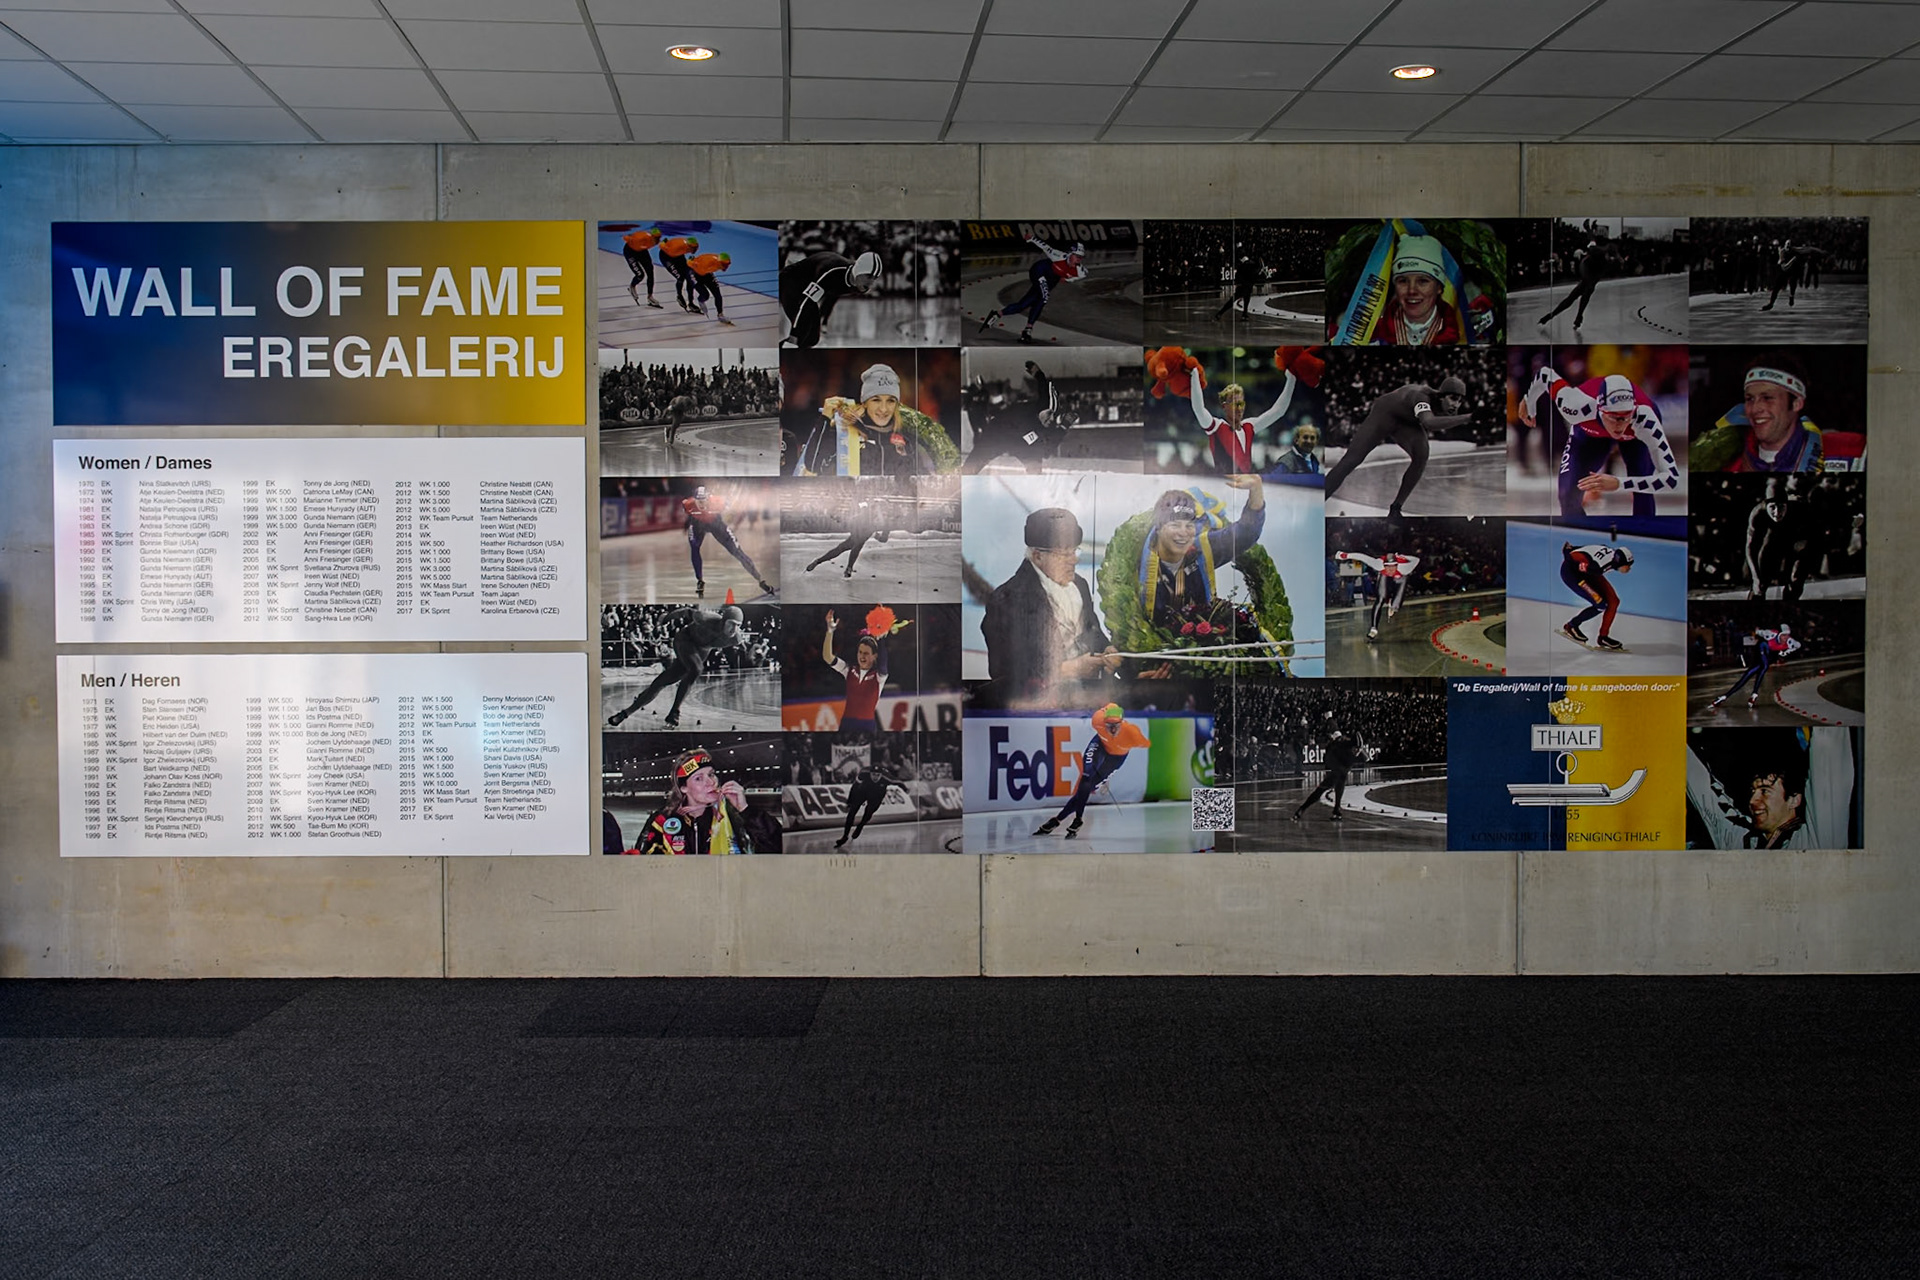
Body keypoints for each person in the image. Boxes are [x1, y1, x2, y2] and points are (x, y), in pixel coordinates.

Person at [980, 507, 1120, 707]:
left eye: (1074, 551)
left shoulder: (1080, 584)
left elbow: (1092, 631)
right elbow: (1004, 673)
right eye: (1063, 554)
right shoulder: (1006, 600)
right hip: (1039, 705)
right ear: (1037, 556)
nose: (1074, 559)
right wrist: (1069, 669)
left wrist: (1108, 650)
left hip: (1091, 696)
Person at [1520, 367, 1680, 519]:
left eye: (1626, 416)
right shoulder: (1575, 406)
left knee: (1642, 490)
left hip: (1635, 438)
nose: (1620, 424)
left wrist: (1619, 483)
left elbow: (1671, 479)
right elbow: (1544, 374)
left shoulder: (1645, 419)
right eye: (1613, 417)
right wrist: (1529, 401)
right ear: (1600, 410)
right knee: (1567, 494)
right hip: (1590, 433)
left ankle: (1645, 539)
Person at [1321, 375, 1474, 518]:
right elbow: (1429, 423)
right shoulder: (1422, 396)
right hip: (1385, 414)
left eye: (1460, 401)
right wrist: (1469, 417)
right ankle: (1319, 501)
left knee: (1422, 455)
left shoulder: (1441, 403)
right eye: (1453, 398)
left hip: (1406, 421)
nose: (1456, 404)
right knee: (1351, 460)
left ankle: (1396, 509)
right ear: (1441, 396)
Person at [1135, 478, 1265, 635]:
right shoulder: (1138, 563)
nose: (1183, 533)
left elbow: (1244, 534)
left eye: (1189, 525)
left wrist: (1256, 491)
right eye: (1175, 525)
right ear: (1159, 528)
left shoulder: (1200, 550)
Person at [1685, 732, 1852, 849]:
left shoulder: (1818, 840)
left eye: (1765, 791)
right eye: (1753, 791)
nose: (1752, 801)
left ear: (1794, 799)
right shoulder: (1737, 841)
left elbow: (1829, 758)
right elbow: (1697, 782)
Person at [606, 604, 744, 730]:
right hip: (685, 639)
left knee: (662, 682)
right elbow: (685, 612)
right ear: (723, 620)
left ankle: (624, 714)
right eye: (732, 624)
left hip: (700, 651)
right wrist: (664, 619)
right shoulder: (705, 618)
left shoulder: (736, 638)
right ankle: (675, 712)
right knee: (697, 669)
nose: (734, 629)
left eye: (738, 625)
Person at [793, 363, 942, 477]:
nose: (883, 409)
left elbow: (922, 480)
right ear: (864, 403)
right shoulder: (845, 433)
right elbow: (813, 465)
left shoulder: (905, 438)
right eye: (876, 400)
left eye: (890, 401)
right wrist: (825, 418)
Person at [1034, 704, 1150, 839]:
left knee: (1086, 789)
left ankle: (1057, 820)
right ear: (1103, 722)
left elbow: (1145, 743)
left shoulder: (1132, 733)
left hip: (1116, 758)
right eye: (1108, 725)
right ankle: (1078, 818)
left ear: (1122, 723)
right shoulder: (1097, 720)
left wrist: (1135, 743)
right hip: (1100, 745)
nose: (1112, 729)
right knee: (1086, 776)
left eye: (1116, 726)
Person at [1702, 355, 1828, 473]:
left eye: (1767, 398)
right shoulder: (1721, 462)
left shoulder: (1835, 454)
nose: (1755, 409)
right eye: (1750, 399)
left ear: (1796, 403)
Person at [634, 748, 756, 855]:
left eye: (711, 774)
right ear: (684, 788)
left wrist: (746, 810)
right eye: (699, 778)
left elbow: (770, 851)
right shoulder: (661, 822)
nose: (711, 782)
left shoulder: (733, 816)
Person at [1186, 362, 1295, 472]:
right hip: (1223, 484)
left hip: (1245, 484)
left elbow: (1278, 411)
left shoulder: (1249, 426)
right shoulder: (1217, 427)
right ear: (1224, 406)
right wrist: (1195, 375)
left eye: (1241, 404)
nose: (1238, 408)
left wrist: (1291, 379)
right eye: (1234, 404)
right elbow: (1199, 409)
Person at [977, 234, 1087, 344]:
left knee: (1024, 305)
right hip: (1040, 270)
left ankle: (997, 315)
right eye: (1077, 256)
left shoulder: (1081, 271)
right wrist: (1031, 238)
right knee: (1044, 297)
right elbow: (1044, 246)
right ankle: (1028, 329)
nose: (1078, 260)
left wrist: (1068, 280)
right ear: (1070, 254)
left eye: (1081, 258)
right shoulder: (1058, 255)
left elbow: (1078, 277)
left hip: (1051, 280)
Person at [961, 361, 1067, 474]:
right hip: (1000, 432)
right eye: (1049, 415)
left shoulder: (1047, 424)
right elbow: (1043, 384)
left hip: (1020, 441)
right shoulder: (1033, 408)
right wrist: (1037, 372)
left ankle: (1035, 483)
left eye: (1053, 418)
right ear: (1042, 410)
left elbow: (1047, 451)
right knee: (971, 466)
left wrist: (1065, 426)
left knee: (1036, 463)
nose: (1050, 420)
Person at [683, 485, 774, 598]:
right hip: (697, 526)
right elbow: (687, 511)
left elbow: (733, 508)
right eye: (698, 501)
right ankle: (700, 580)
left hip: (717, 526)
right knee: (694, 547)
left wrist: (731, 518)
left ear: (708, 499)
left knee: (737, 552)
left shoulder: (718, 502)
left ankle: (760, 579)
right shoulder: (688, 504)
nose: (701, 504)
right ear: (694, 500)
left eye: (703, 501)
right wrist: (687, 525)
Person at [781, 249, 882, 349]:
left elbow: (831, 298)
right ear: (859, 271)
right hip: (790, 280)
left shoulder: (861, 286)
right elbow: (807, 301)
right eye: (869, 276)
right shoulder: (832, 272)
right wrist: (793, 335)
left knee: (812, 339)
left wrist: (823, 320)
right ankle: (778, 355)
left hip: (808, 286)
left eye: (875, 278)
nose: (871, 283)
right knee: (800, 334)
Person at [821, 609, 893, 732]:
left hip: (867, 726)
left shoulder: (879, 677)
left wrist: (881, 639)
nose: (862, 656)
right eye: (860, 652)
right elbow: (828, 657)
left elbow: (883, 666)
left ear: (874, 656)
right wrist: (830, 631)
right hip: (846, 723)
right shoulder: (848, 670)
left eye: (866, 653)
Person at [1559, 541, 1634, 651]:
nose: (1629, 569)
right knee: (1600, 605)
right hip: (1572, 574)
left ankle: (1603, 637)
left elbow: (1587, 548)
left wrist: (1571, 547)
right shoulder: (1597, 567)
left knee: (1614, 601)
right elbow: (1573, 557)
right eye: (1627, 566)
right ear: (1619, 563)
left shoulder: (1611, 557)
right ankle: (1571, 626)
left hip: (1589, 572)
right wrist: (1567, 551)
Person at [1708, 624, 1800, 710]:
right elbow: (1758, 631)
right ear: (1779, 634)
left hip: (1771, 655)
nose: (1785, 638)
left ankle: (1724, 697)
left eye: (1787, 635)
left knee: (1750, 673)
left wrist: (1784, 653)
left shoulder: (1790, 642)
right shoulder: (1770, 634)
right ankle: (1754, 694)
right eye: (1784, 635)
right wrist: (1756, 631)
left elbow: (1798, 646)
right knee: (1764, 666)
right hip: (1762, 649)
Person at [1335, 550, 1420, 640]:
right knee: (1380, 599)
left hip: (1401, 576)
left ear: (1397, 565)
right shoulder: (1378, 564)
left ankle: (1393, 604)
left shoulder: (1405, 568)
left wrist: (1405, 556)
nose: (1391, 570)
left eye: (1393, 567)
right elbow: (1362, 557)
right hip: (1384, 575)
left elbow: (1416, 560)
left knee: (1396, 606)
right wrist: (1345, 555)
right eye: (1388, 567)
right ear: (1384, 565)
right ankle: (1373, 628)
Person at [1536, 240, 1611, 330]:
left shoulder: (1597, 260)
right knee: (1574, 299)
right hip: (1588, 280)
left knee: (1573, 299)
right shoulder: (1595, 259)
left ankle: (1556, 316)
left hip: (1588, 280)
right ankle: (1570, 317)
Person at [805, 498, 887, 579]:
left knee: (842, 547)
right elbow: (860, 509)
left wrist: (880, 535)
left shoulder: (880, 520)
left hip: (859, 528)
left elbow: (883, 539)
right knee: (856, 544)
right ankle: (848, 568)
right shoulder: (869, 516)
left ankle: (818, 561)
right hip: (858, 525)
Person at [1290, 726, 1358, 822]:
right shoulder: (1341, 744)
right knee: (1335, 790)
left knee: (1320, 791)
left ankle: (1303, 809)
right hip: (1341, 771)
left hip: (1338, 771)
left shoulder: (1338, 744)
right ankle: (1336, 810)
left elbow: (1327, 761)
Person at [835, 767, 892, 848]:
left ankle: (860, 826)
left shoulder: (888, 777)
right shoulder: (864, 773)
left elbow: (900, 783)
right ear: (870, 773)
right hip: (863, 792)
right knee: (852, 812)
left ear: (881, 775)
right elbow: (854, 787)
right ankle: (845, 836)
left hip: (877, 796)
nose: (875, 777)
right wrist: (849, 801)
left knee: (868, 812)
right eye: (873, 774)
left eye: (878, 775)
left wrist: (906, 789)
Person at [621, 225, 665, 309]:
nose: (657, 240)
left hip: (642, 251)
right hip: (630, 252)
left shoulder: (655, 242)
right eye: (656, 238)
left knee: (650, 272)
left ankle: (650, 297)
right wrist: (627, 237)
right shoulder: (640, 237)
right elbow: (626, 237)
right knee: (640, 275)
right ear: (651, 236)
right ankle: (632, 286)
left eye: (659, 238)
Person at [686, 250, 734, 326]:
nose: (726, 267)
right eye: (725, 265)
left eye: (727, 265)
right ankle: (701, 300)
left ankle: (720, 315)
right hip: (695, 273)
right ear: (720, 262)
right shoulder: (706, 263)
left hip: (707, 273)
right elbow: (689, 263)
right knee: (705, 295)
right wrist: (690, 260)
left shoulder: (717, 262)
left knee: (717, 295)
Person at [658, 233, 699, 312]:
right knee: (680, 277)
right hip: (667, 257)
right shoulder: (676, 248)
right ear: (689, 246)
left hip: (678, 256)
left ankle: (691, 302)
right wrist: (663, 242)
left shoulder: (685, 247)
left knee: (689, 277)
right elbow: (661, 246)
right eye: (694, 248)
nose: (695, 250)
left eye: (696, 248)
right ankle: (679, 296)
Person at [1214, 253, 1261, 320]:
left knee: (1232, 300)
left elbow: (1238, 277)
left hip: (1242, 286)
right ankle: (1244, 315)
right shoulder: (1252, 266)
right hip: (1248, 286)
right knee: (1246, 301)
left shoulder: (1241, 267)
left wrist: (1239, 283)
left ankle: (1220, 313)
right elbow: (1256, 273)